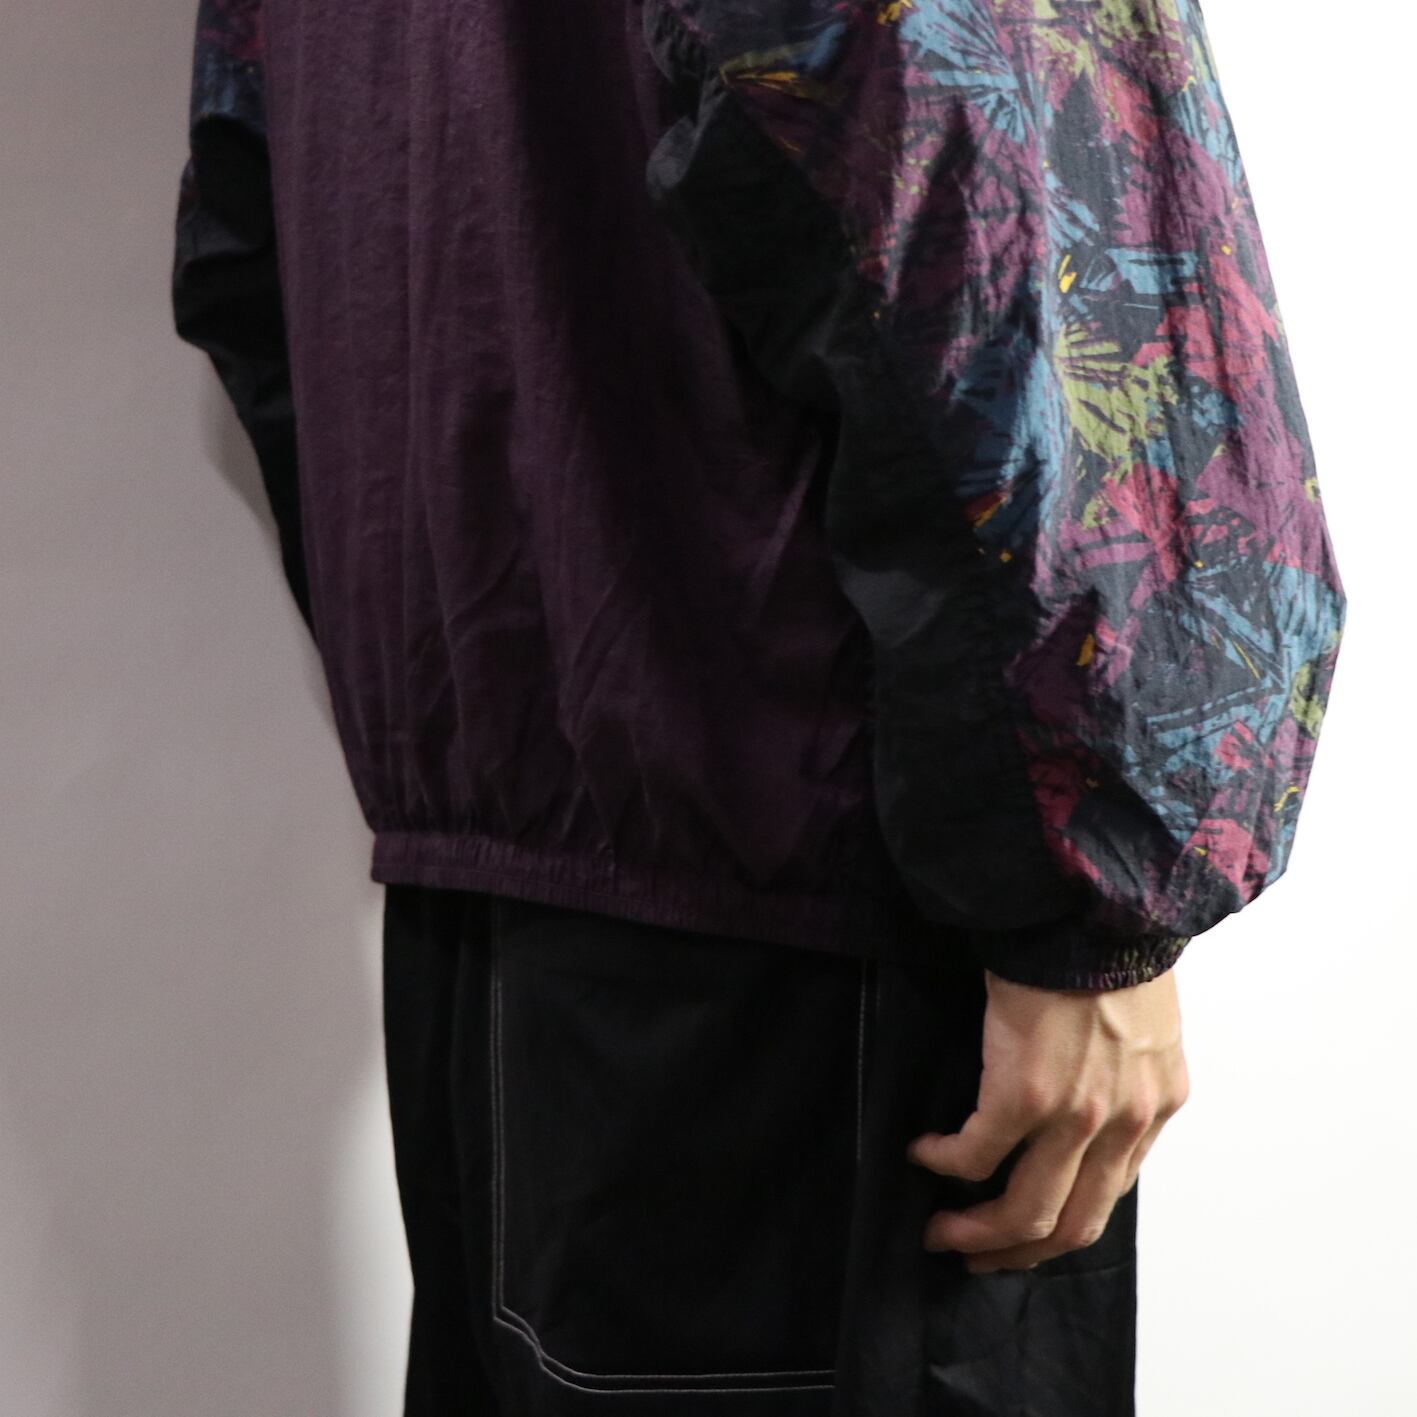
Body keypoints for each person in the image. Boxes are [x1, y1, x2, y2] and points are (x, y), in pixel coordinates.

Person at [169, 1, 1348, 1413]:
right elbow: (976, 199)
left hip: (498, 932)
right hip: (818, 944)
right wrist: (1094, 903)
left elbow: (252, 260)